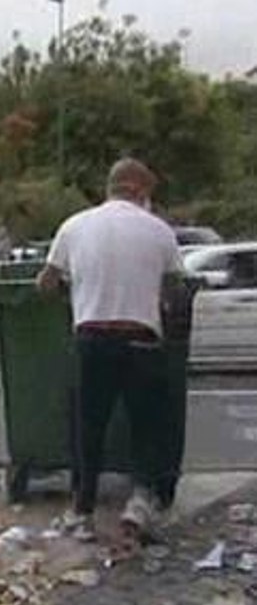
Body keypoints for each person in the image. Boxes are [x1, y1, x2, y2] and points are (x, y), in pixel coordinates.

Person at [37, 158, 184, 543]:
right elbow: (173, 291)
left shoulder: (73, 226)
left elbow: (47, 283)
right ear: (140, 190)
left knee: (90, 426)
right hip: (142, 339)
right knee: (145, 425)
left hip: (92, 337)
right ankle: (139, 501)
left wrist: (70, 284)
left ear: (111, 186)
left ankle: (82, 511)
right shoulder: (160, 231)